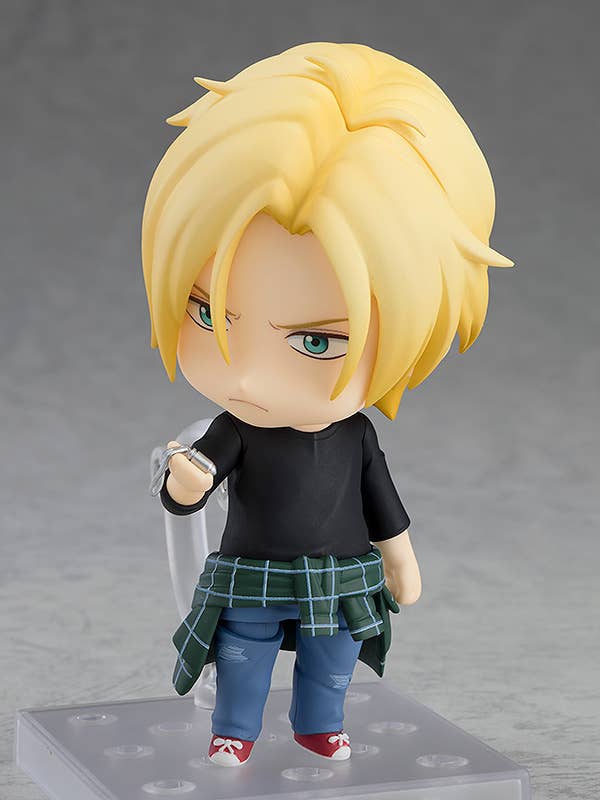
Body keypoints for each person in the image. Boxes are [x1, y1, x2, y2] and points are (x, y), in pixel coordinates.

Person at [141, 42, 512, 767]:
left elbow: (381, 501)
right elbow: (191, 488)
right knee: (242, 655)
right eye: (208, 314)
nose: (249, 377)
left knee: (333, 659)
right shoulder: (234, 429)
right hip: (251, 572)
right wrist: (183, 483)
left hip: (340, 574)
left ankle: (321, 725)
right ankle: (234, 731)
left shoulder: (355, 435)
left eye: (317, 341)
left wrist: (400, 559)